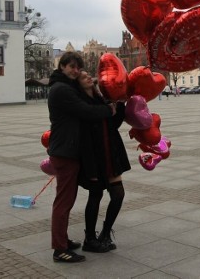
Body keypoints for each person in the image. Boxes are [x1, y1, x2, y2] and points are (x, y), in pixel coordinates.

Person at [47, 52, 116, 263]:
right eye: (72, 67)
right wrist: (108, 110)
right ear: (62, 67)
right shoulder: (61, 90)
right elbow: (85, 110)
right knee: (64, 202)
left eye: (78, 67)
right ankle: (60, 249)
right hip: (65, 152)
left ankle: (64, 240)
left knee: (67, 200)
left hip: (67, 150)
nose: (76, 71)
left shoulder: (64, 87)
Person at [75, 71, 131, 253]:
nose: (88, 78)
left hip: (111, 153)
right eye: (83, 78)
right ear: (79, 85)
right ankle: (89, 238)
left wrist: (121, 104)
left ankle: (105, 233)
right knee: (95, 196)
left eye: (88, 76)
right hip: (94, 157)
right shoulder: (81, 104)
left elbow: (112, 124)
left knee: (118, 195)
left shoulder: (100, 99)